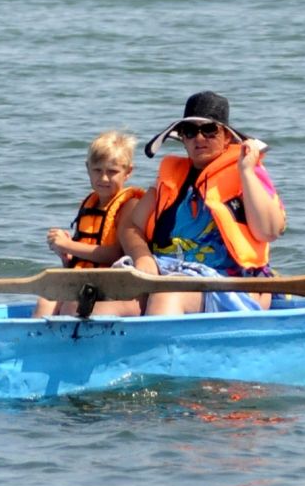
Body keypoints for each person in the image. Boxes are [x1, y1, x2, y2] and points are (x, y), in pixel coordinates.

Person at [117, 90, 285, 317]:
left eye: (209, 130)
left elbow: (269, 231)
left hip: (234, 284)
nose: (199, 138)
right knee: (101, 303)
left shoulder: (248, 174)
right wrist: (142, 257)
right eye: (190, 131)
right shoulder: (169, 180)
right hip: (170, 274)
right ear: (183, 139)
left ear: (227, 136)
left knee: (168, 296)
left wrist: (246, 171)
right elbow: (130, 227)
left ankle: (160, 352)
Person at [34, 129, 146, 318]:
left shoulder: (128, 206)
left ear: (128, 172)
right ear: (88, 168)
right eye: (97, 170)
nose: (103, 178)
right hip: (86, 280)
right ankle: (37, 344)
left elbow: (116, 253)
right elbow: (86, 251)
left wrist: (70, 245)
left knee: (71, 306)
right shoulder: (89, 203)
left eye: (112, 172)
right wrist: (68, 255)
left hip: (113, 284)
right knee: (45, 301)